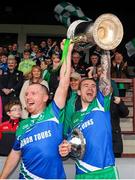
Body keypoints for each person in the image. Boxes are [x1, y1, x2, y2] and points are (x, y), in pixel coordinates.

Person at [0, 39, 74, 179]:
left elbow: (64, 83)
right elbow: (15, 153)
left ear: (46, 97)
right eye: (27, 94)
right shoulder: (22, 125)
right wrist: (2, 177)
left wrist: (67, 52)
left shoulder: (53, 112)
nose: (28, 97)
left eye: (33, 93)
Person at [59, 51, 119, 179]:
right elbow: (70, 142)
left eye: (93, 86)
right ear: (79, 92)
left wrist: (105, 50)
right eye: (86, 86)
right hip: (82, 172)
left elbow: (105, 76)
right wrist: (66, 148)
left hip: (105, 171)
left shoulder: (100, 105)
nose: (90, 88)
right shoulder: (74, 116)